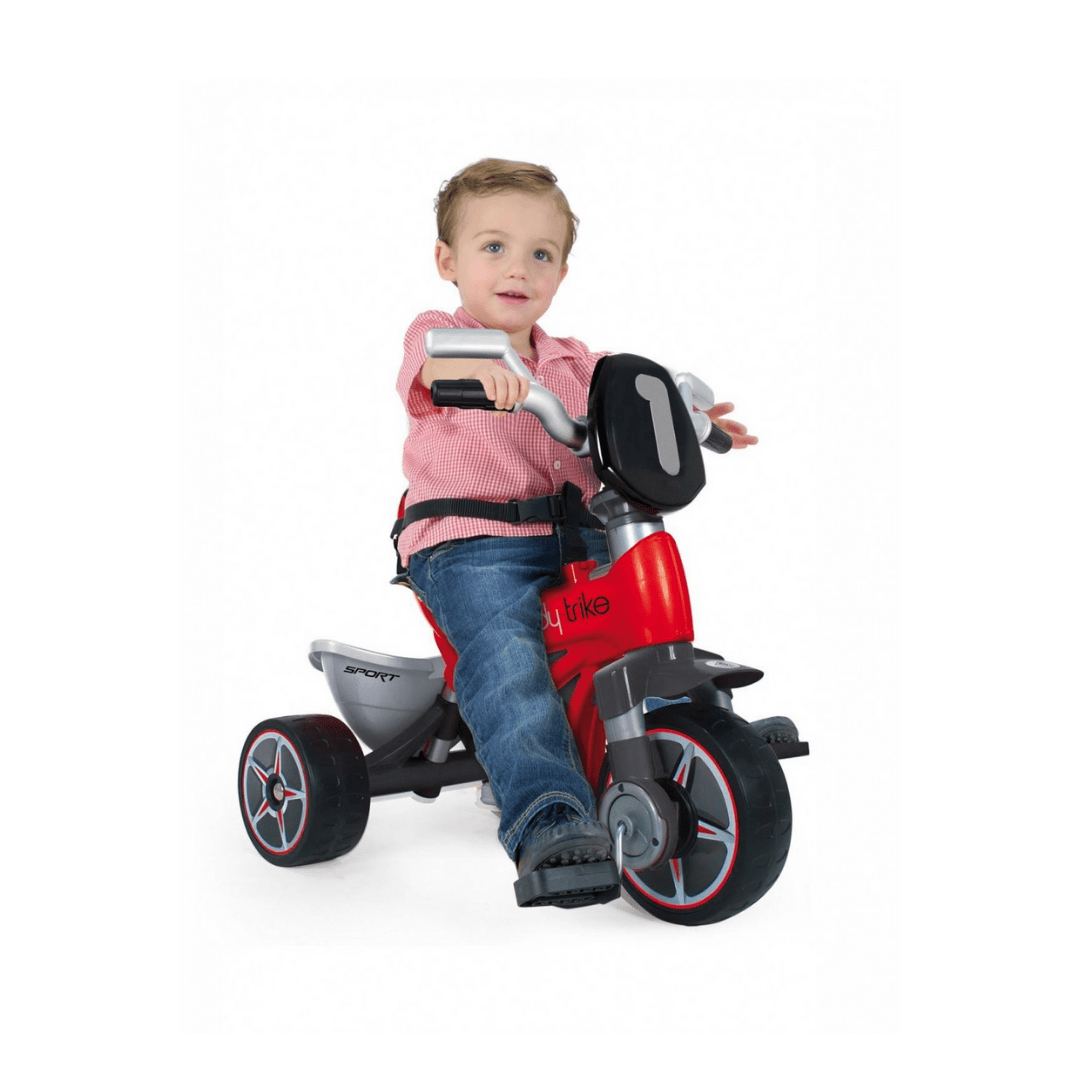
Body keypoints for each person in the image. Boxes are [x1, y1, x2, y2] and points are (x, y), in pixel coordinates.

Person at [395, 159, 756, 908]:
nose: (517, 268)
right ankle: (548, 817)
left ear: (561, 272)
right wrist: (480, 374)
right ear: (447, 261)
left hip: (579, 535)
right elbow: (429, 367)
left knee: (632, 633)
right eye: (493, 247)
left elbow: (625, 398)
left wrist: (686, 416)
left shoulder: (577, 362)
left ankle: (698, 730)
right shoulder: (442, 334)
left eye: (541, 253)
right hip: (471, 543)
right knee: (508, 661)